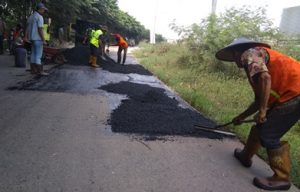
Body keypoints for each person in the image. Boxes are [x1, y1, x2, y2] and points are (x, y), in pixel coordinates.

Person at [215, 37, 300, 191]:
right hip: (289, 95)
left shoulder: (249, 53)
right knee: (261, 126)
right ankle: (245, 156)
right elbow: (259, 99)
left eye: (233, 57)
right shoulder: (258, 61)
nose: (235, 62)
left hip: (295, 94)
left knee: (269, 135)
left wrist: (262, 111)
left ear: (236, 52)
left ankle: (282, 178)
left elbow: (266, 79)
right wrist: (241, 116)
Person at [26, 2, 48, 75]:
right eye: (43, 9)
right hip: (38, 39)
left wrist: (26, 37)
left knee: (33, 54)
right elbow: (40, 29)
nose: (44, 11)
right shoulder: (39, 17)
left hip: (32, 39)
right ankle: (40, 71)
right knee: (38, 55)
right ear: (41, 9)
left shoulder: (31, 17)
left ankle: (33, 70)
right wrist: (43, 40)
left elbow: (28, 28)